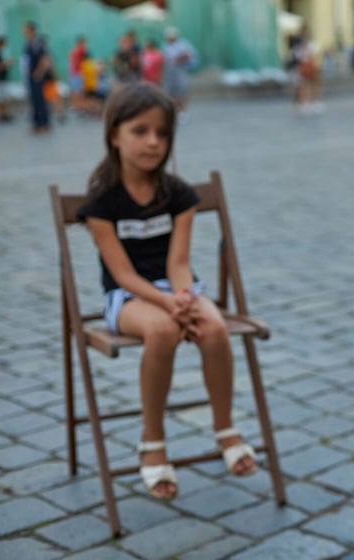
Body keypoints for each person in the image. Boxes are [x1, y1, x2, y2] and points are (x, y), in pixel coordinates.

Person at [76, 82, 258, 501]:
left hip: (177, 288)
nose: (153, 142)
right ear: (114, 135)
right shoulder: (102, 201)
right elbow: (121, 274)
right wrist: (166, 304)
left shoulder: (177, 195)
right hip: (128, 297)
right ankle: (152, 439)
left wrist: (185, 299)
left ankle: (226, 428)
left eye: (162, 133)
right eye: (140, 131)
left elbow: (179, 263)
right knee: (161, 331)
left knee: (212, 327)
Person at [23, 21, 51, 133]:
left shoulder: (38, 42)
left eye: (26, 29)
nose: (24, 32)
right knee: (34, 100)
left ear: (31, 29)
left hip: (37, 77)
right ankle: (37, 123)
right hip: (30, 77)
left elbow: (45, 58)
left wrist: (39, 73)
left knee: (40, 100)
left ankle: (44, 123)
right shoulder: (29, 43)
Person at [161, 27, 197, 112]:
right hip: (170, 73)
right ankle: (174, 109)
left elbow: (189, 55)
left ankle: (182, 109)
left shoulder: (183, 44)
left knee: (182, 90)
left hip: (180, 72)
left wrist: (180, 58)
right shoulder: (165, 45)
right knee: (170, 92)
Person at [0, 35, 13, 123]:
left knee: (1, 97)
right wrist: (7, 63)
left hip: (0, 78)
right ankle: (3, 114)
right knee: (0, 97)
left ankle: (3, 114)